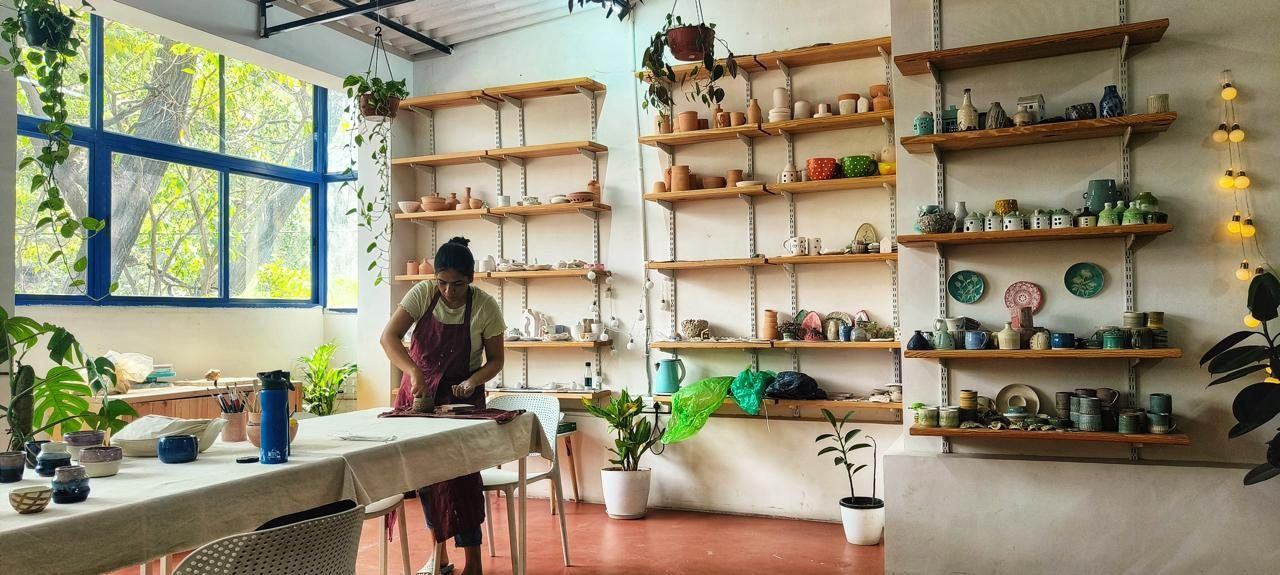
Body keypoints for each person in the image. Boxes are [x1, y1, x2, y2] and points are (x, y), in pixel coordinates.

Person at [380, 237, 505, 575]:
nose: (449, 291)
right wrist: (412, 371)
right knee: (425, 478)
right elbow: (388, 338)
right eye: (443, 283)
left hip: (461, 400)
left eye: (458, 284)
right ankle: (440, 556)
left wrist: (473, 381)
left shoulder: (485, 307)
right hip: (419, 397)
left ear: (472, 279)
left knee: (462, 477)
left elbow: (495, 360)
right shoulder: (422, 293)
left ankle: (473, 563)